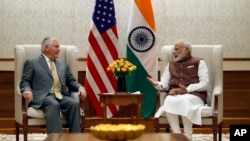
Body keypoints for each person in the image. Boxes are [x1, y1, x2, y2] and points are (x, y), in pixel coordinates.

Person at [20, 37, 87, 134]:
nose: (59, 49)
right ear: (46, 48)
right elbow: (25, 81)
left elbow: (71, 81)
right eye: (56, 46)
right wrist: (26, 90)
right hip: (44, 97)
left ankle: (75, 138)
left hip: (61, 96)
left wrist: (80, 87)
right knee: (53, 104)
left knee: (74, 104)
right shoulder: (32, 63)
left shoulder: (63, 65)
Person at [147, 39, 209, 140]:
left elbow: (205, 83)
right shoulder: (170, 65)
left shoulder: (199, 62)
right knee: (169, 100)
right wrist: (156, 84)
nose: (173, 52)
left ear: (186, 50)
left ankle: (188, 135)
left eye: (177, 49)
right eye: (174, 49)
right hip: (174, 95)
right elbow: (164, 85)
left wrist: (187, 90)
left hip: (195, 95)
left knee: (184, 100)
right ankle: (177, 135)